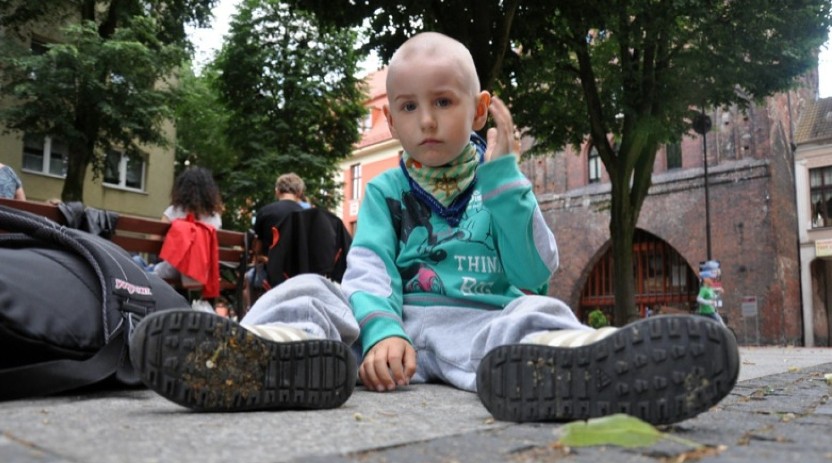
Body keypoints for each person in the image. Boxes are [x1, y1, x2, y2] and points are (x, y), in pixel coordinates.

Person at [130, 32, 739, 424]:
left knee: (534, 314)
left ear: (478, 110)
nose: (427, 120)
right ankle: (263, 352)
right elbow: (367, 265)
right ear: (390, 114)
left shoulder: (500, 183)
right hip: (391, 329)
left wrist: (506, 180)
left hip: (479, 325)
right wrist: (380, 333)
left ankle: (580, 362)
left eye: (444, 103)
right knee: (311, 290)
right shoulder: (389, 190)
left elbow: (533, 270)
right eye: (409, 106)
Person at [152, 167, 224, 296]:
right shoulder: (215, 218)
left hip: (171, 270)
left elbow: (152, 242)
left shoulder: (173, 212)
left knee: (137, 261)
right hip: (201, 272)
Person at [244, 173, 308, 308]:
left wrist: (262, 257)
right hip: (299, 277)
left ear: (277, 192)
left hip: (270, 276)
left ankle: (252, 316)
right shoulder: (307, 215)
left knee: (248, 278)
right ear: (299, 192)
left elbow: (257, 248)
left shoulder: (265, 212)